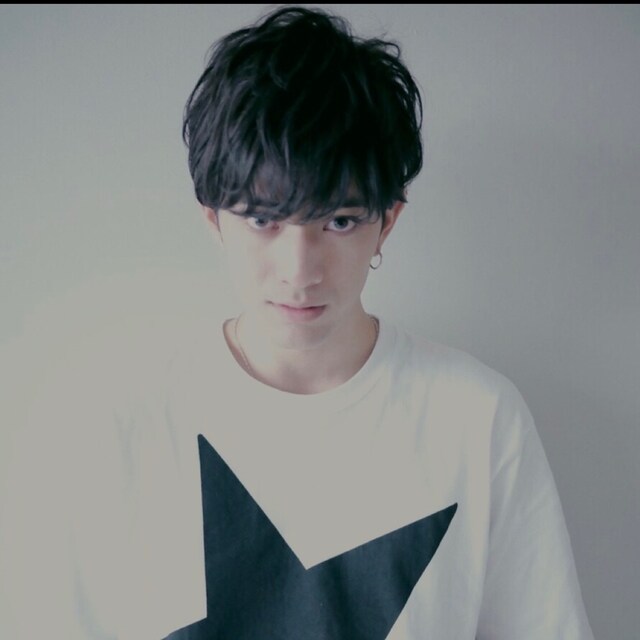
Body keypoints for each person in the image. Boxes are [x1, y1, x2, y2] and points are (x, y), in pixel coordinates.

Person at [0, 5, 595, 639]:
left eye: (339, 221)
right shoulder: (117, 421)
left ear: (386, 223)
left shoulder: (477, 420)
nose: (300, 269)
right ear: (214, 220)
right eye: (263, 219)